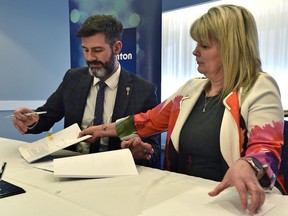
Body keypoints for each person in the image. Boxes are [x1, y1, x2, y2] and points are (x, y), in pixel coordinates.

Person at [79, 4, 285, 214]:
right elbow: (147, 120)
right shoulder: (191, 89)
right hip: (185, 199)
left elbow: (266, 148)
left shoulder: (259, 86)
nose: (195, 51)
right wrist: (102, 130)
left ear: (231, 49)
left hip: (235, 203)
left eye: (204, 46)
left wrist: (248, 165)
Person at [12, 14, 160, 168]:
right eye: (85, 50)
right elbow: (47, 115)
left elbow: (152, 149)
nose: (89, 58)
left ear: (116, 48)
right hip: (71, 168)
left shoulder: (143, 91)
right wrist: (32, 120)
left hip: (116, 172)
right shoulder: (73, 78)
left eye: (97, 50)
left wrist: (141, 151)